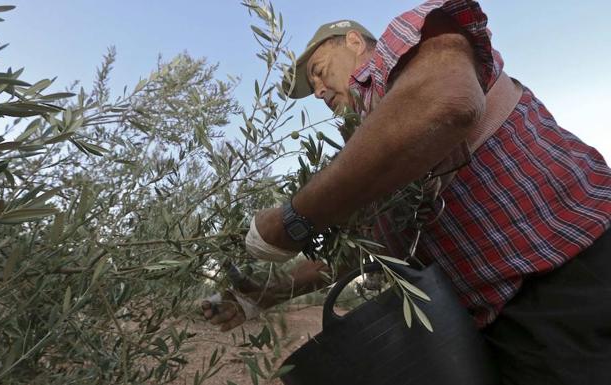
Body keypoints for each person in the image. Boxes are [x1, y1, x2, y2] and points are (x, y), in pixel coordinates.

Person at [202, 0, 611, 383]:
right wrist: (265, 294)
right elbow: (358, 254)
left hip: (572, 277)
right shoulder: (369, 155)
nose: (320, 91)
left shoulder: (399, 47)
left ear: (354, 41)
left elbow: (446, 101)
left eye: (320, 72)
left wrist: (292, 218)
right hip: (499, 329)